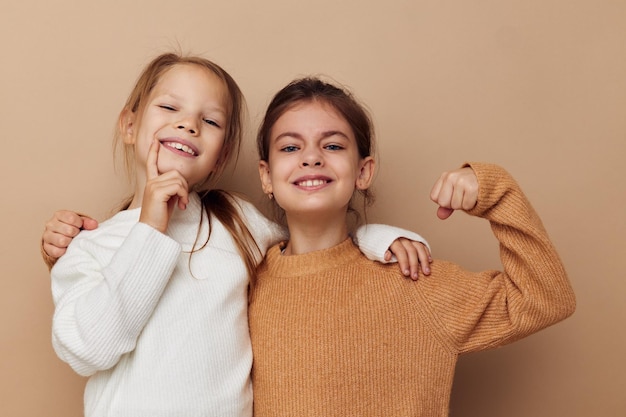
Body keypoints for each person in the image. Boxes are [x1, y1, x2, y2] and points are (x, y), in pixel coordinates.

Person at [44, 53, 432, 417]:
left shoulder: (233, 219)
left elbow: (312, 244)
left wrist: (379, 239)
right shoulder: (90, 245)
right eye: (169, 107)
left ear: (222, 153)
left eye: (210, 121)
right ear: (130, 126)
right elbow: (88, 351)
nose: (188, 124)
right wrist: (149, 229)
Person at [248, 77, 577, 416]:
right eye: (290, 147)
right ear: (266, 176)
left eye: (332, 146)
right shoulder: (241, 287)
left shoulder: (412, 280)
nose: (311, 157)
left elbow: (545, 299)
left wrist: (497, 192)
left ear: (363, 171)